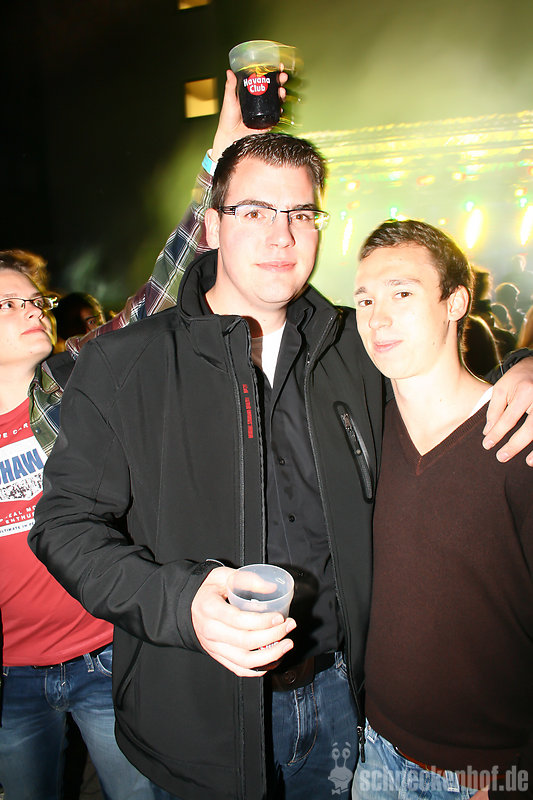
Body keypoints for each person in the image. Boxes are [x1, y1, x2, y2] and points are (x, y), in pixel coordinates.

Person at [29, 81, 533, 800]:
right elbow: (63, 525)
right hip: (197, 711)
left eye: (300, 213)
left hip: (342, 704)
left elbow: (445, 382)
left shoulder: (354, 347)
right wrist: (180, 602)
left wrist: (524, 366)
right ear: (211, 226)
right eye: (255, 211)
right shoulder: (126, 363)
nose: (281, 236)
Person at [350, 220, 533, 800]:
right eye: (365, 300)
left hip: (484, 772)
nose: (377, 318)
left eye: (402, 293)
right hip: (372, 751)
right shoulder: (360, 432)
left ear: (455, 303)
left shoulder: (519, 439)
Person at [0, 253, 156, 799]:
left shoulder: (74, 384)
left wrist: (209, 208)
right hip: (12, 674)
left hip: (104, 651)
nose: (34, 311)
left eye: (35, 301)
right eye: (8, 304)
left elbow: (150, 306)